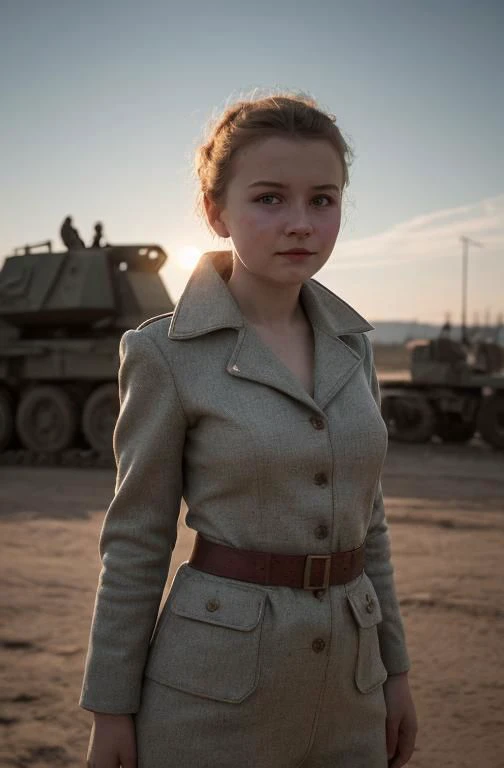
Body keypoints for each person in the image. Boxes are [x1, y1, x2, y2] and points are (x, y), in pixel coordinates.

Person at [80, 93, 417, 768]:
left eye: (323, 200)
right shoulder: (165, 354)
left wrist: (396, 671)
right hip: (213, 697)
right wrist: (110, 709)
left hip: (353, 689)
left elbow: (367, 522)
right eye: (269, 199)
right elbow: (138, 538)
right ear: (215, 211)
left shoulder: (355, 348)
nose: (300, 223)